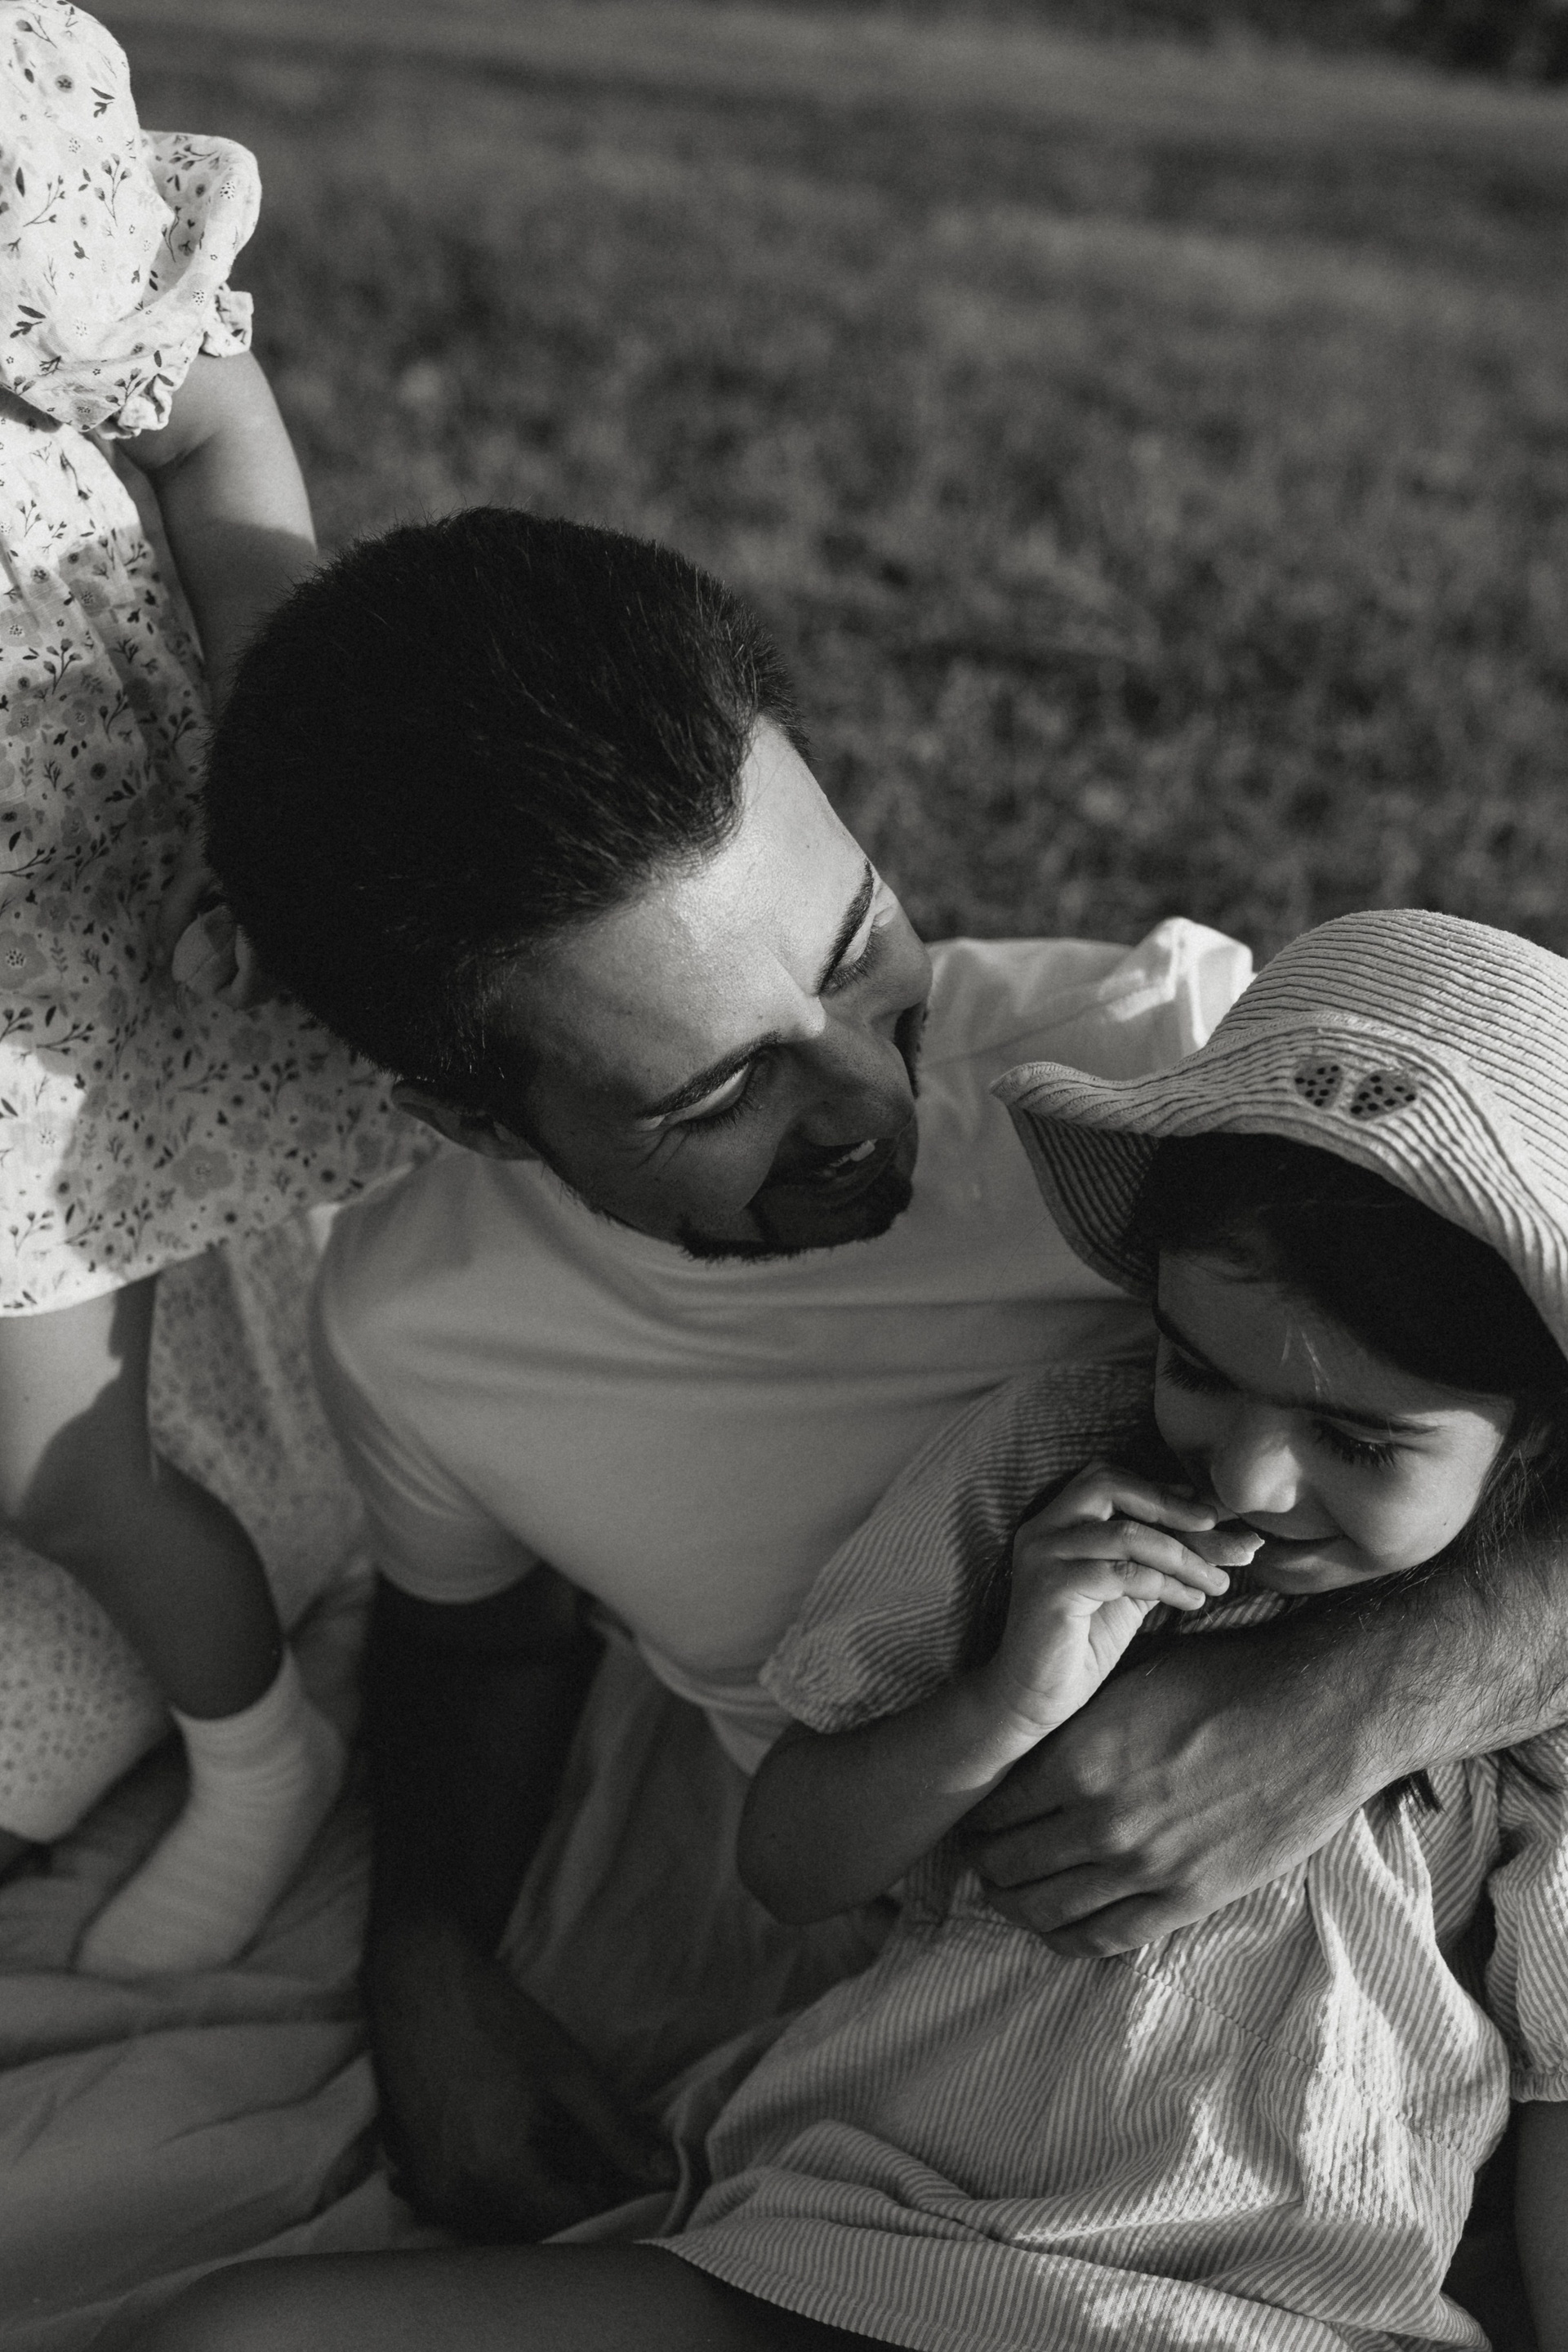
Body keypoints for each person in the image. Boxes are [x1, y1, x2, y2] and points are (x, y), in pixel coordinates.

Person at [190, 510, 1568, 2265]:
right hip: (943, 2014)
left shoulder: (1166, 1087)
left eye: (855, 949)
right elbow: (482, 1644)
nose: (867, 1096)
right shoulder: (419, 1332)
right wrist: (430, 1959)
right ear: (478, 1123)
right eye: (720, 1095)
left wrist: (1341, 1706)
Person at [0, 0, 418, 1976]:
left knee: (60, 1469)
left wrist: (269, 732)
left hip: (34, 945)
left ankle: (257, 1759)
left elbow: (203, 413)